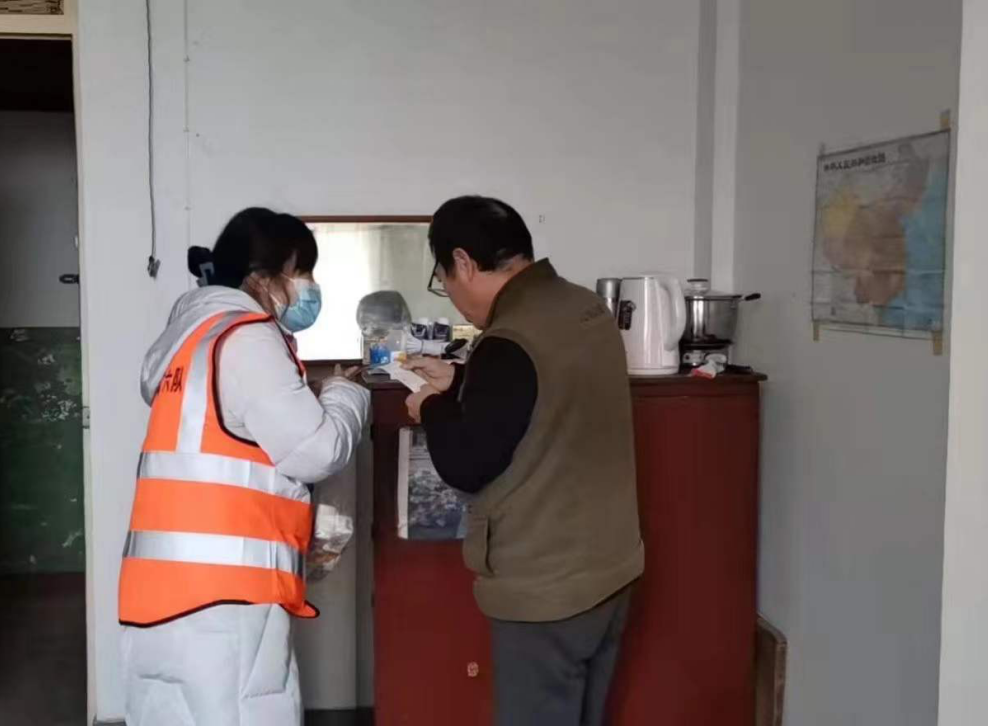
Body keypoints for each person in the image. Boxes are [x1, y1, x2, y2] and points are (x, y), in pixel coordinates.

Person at [119, 208, 370, 726]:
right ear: (263, 276)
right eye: (302, 271)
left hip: (157, 598)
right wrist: (345, 393)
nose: (308, 286)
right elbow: (317, 450)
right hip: (225, 602)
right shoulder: (246, 338)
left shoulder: (190, 340)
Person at [404, 196, 644, 726]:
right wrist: (463, 381)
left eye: (444, 279)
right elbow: (549, 396)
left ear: (464, 262)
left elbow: (468, 464)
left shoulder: (509, 338)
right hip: (612, 568)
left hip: (547, 590)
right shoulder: (583, 306)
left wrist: (432, 407)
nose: (450, 294)